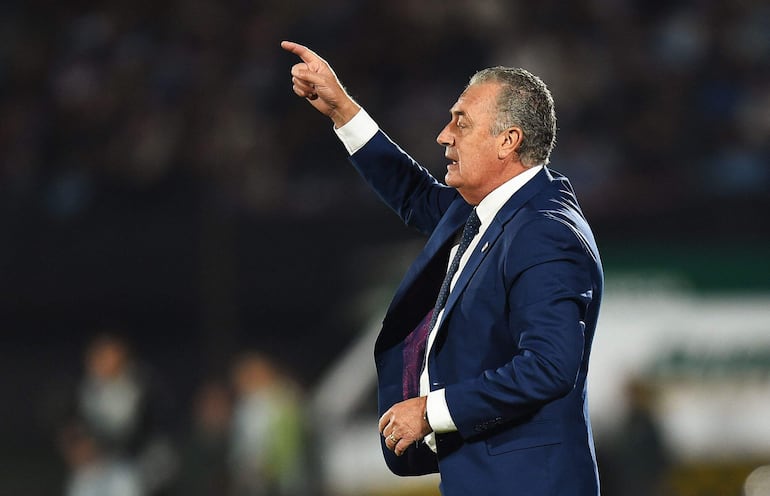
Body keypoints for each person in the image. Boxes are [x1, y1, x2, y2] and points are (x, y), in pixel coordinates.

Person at [282, 40, 604, 495]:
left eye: (462, 122)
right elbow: (414, 194)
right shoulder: (487, 211)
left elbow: (549, 366)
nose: (444, 135)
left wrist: (432, 411)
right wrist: (342, 111)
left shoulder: (544, 231)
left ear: (508, 141)